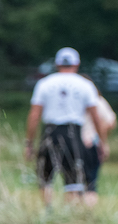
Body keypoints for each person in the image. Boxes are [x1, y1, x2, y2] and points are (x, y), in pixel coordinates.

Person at [24, 47, 110, 206]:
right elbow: (96, 116)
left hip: (50, 131)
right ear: (77, 64)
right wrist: (103, 143)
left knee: (45, 177)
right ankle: (69, 218)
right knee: (73, 180)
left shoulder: (45, 83)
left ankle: (48, 212)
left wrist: (29, 142)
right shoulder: (85, 85)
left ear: (57, 64)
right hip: (73, 134)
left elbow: (34, 115)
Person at [81, 87, 117, 207]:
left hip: (73, 143)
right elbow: (111, 122)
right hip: (93, 143)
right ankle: (88, 213)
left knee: (74, 180)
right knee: (91, 181)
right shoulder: (99, 101)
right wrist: (99, 136)